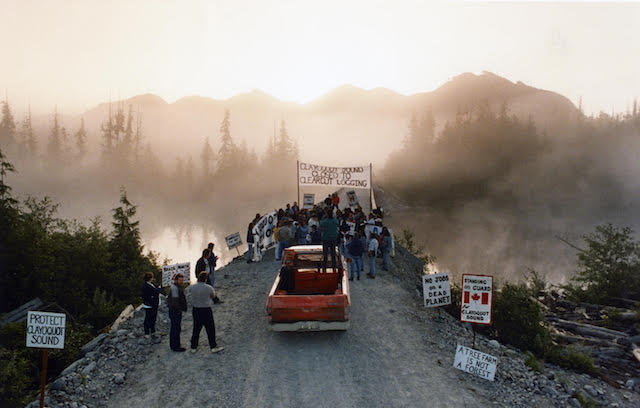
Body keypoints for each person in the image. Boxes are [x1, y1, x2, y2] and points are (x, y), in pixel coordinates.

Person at [190, 272, 224, 354]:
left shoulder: (192, 287)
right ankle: (213, 346)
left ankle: (193, 347)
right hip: (206, 310)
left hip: (196, 309)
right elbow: (213, 297)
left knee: (196, 328)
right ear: (205, 279)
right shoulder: (209, 288)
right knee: (210, 329)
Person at [167, 273, 187, 351]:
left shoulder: (176, 287)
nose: (182, 282)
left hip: (174, 311)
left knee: (175, 328)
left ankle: (174, 345)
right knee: (176, 328)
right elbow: (175, 302)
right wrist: (180, 310)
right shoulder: (175, 288)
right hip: (175, 311)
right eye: (180, 280)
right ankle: (176, 346)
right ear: (176, 280)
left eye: (182, 280)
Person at [141, 272, 163, 337]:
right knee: (148, 318)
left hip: (153, 304)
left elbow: (157, 289)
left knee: (153, 318)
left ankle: (152, 331)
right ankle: (147, 332)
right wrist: (159, 288)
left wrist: (159, 288)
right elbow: (156, 291)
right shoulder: (146, 286)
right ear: (150, 278)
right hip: (149, 305)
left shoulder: (151, 284)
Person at [319, 208, 339, 273]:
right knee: (333, 254)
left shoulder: (325, 221)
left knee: (325, 254)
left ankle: (324, 268)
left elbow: (320, 223)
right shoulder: (335, 221)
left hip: (326, 239)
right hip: (333, 239)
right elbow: (337, 223)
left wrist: (324, 217)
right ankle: (334, 268)